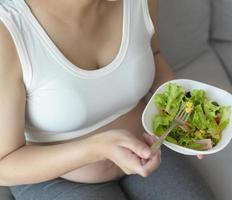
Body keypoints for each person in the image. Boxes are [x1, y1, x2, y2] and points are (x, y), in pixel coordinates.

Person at [0, 0, 215, 199]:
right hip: (53, 177)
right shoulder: (8, 29)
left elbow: (154, 54)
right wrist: (96, 148)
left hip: (150, 149)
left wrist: (182, 111)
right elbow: (4, 166)